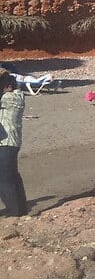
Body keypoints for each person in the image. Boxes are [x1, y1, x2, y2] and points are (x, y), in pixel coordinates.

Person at [0, 70, 27, 216]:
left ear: (9, 87)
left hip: (6, 143)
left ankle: (14, 213)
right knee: (13, 177)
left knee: (5, 181)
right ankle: (21, 211)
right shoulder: (16, 96)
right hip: (10, 143)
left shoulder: (10, 98)